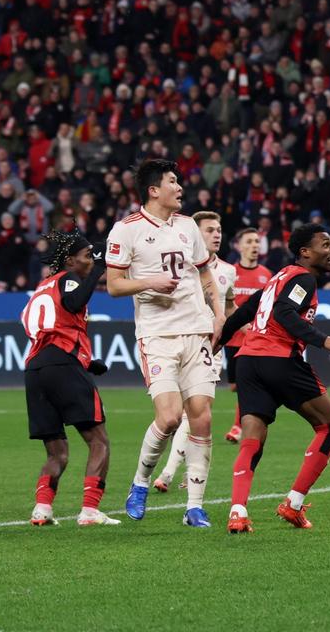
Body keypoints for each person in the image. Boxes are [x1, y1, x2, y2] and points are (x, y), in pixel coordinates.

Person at [106, 159, 225, 528]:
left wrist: (219, 315)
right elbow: (113, 285)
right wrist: (149, 282)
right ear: (154, 190)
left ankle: (194, 507)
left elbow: (205, 273)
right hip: (157, 335)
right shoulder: (126, 230)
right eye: (173, 181)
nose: (180, 187)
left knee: (202, 417)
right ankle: (140, 482)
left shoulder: (188, 226)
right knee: (170, 417)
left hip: (196, 330)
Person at [215, 223, 330, 533]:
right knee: (329, 427)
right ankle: (293, 504)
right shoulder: (304, 278)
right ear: (305, 252)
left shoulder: (279, 277)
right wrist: (323, 340)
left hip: (248, 361)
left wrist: (220, 339)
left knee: (252, 438)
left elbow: (247, 309)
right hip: (279, 359)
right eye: (325, 245)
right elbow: (284, 314)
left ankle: (237, 512)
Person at [21, 231, 117, 526]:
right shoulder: (68, 278)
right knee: (99, 441)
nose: (92, 260)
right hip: (62, 366)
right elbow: (74, 303)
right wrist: (99, 269)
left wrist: (86, 361)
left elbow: (47, 328)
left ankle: (42, 509)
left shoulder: (42, 287)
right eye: (88, 256)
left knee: (57, 451)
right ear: (70, 260)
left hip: (35, 369)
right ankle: (90, 510)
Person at [152, 211, 236, 493]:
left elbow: (230, 306)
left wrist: (247, 325)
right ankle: (176, 471)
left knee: (196, 414)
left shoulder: (228, 271)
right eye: (210, 230)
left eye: (219, 230)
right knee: (176, 415)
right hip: (180, 344)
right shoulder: (181, 266)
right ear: (194, 235)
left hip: (211, 349)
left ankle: (170, 473)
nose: (216, 235)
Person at [224, 228, 273, 442]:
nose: (254, 245)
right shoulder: (229, 273)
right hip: (233, 337)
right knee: (235, 386)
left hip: (256, 340)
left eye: (256, 241)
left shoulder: (267, 275)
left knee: (247, 384)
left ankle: (238, 426)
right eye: (249, 241)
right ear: (239, 246)